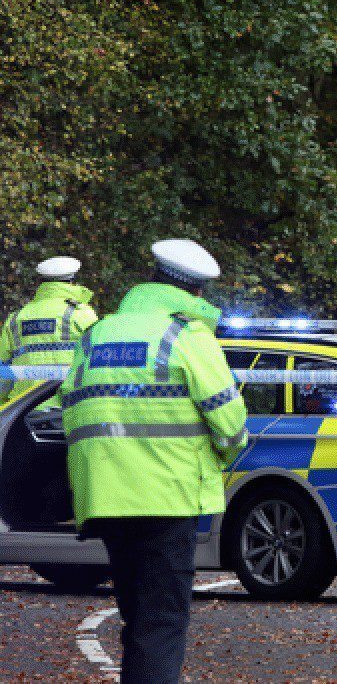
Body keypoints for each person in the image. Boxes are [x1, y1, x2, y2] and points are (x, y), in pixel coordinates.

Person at [62, 239, 248, 683]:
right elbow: (229, 419)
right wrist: (223, 454)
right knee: (162, 621)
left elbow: (70, 406)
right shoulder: (185, 335)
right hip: (167, 495)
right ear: (196, 292)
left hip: (105, 494)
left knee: (138, 617)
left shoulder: (98, 333)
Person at [0, 257, 99, 405]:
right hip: (70, 409)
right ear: (72, 281)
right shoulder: (82, 314)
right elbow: (96, 366)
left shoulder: (16, 318)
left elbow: (3, 375)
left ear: (41, 283)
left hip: (24, 412)